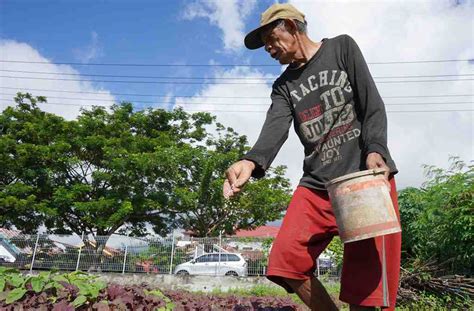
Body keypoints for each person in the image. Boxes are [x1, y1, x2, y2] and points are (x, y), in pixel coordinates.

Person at [222, 3, 401, 311]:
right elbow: (274, 129)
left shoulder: (341, 48)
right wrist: (250, 161)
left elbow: (372, 104)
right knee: (285, 262)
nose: (267, 48)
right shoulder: (284, 86)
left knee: (365, 293)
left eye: (269, 37)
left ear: (291, 26)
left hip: (362, 181)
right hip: (317, 186)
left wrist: (375, 150)